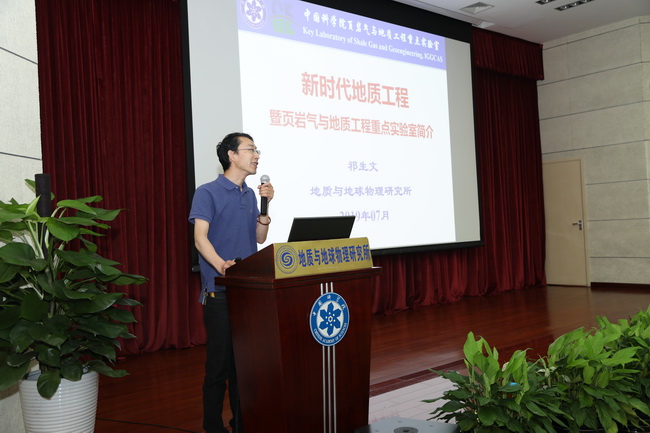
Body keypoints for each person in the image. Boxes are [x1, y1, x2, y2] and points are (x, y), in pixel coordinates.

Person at [189, 132, 274, 433]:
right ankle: (212, 427)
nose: (256, 155)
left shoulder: (250, 194)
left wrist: (266, 208)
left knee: (244, 366)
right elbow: (200, 238)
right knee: (219, 368)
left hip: (247, 291)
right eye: (250, 149)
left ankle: (241, 423)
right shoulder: (207, 192)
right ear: (232, 155)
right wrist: (221, 265)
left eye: (256, 150)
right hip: (220, 292)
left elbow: (259, 238)